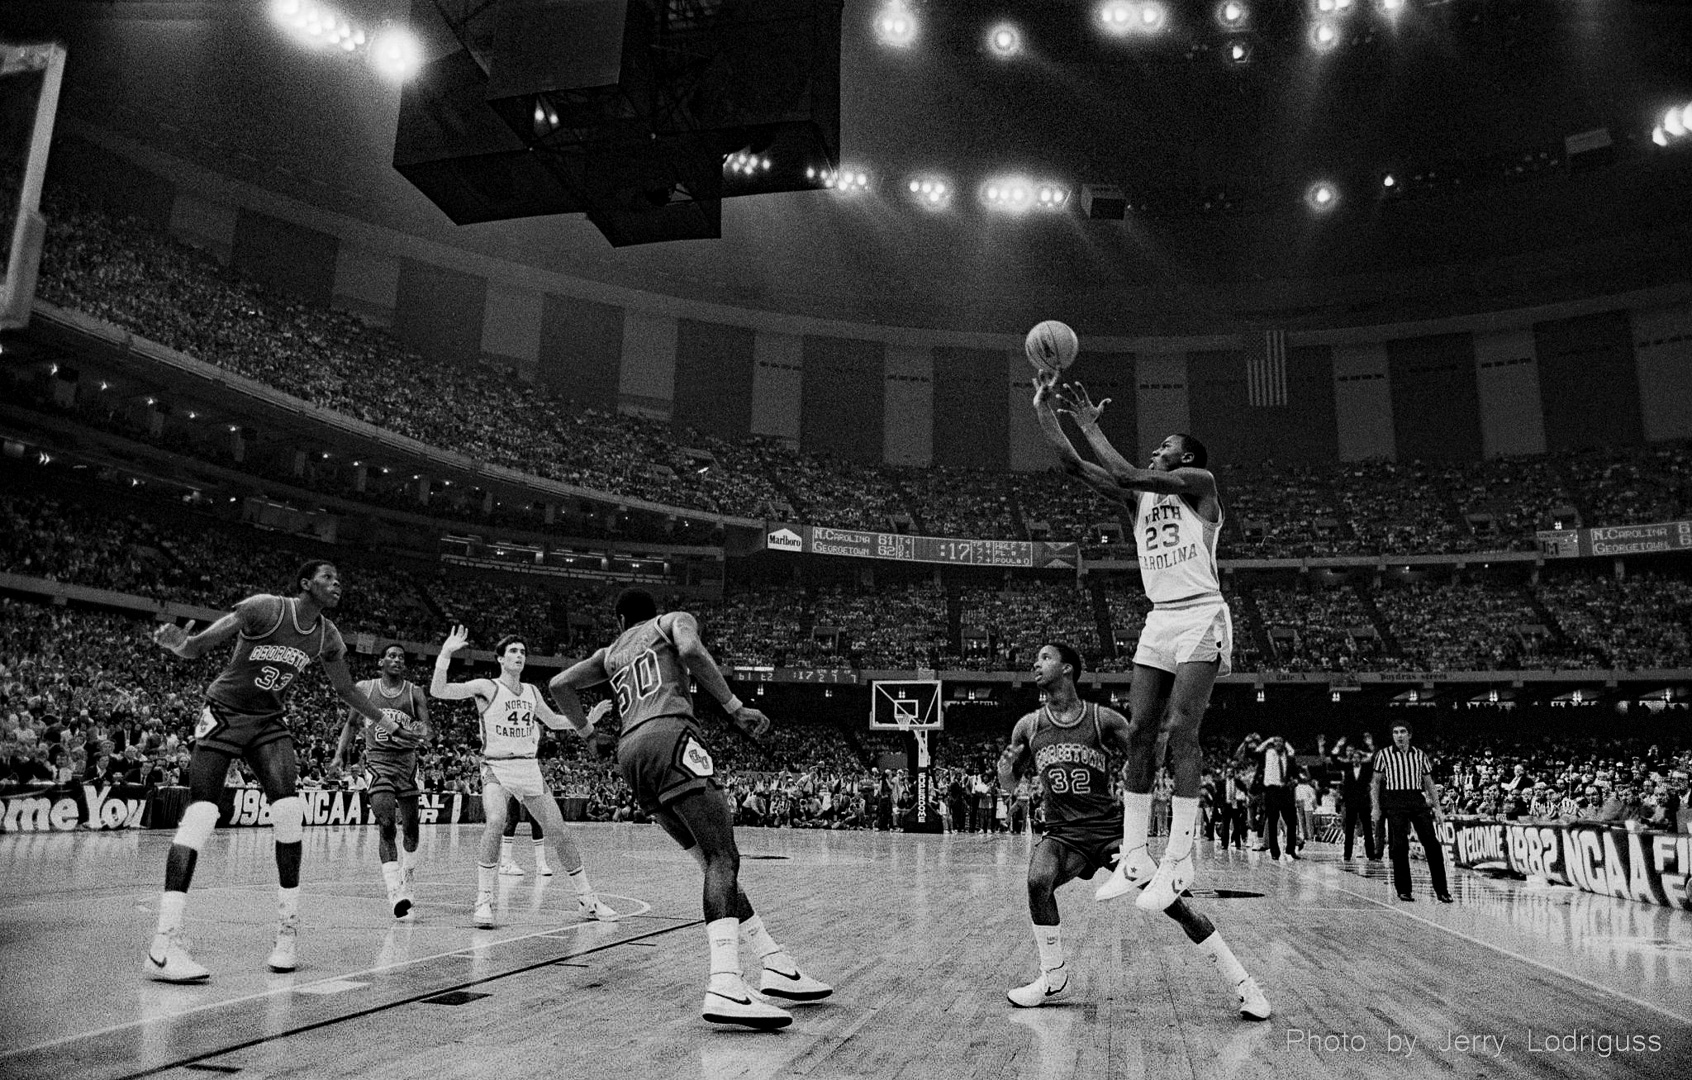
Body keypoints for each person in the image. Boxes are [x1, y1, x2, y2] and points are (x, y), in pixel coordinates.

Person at [549, 588, 831, 1031]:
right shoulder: (671, 621)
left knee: (710, 862)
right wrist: (735, 707)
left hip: (630, 753)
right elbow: (691, 649)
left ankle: (774, 962)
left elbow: (559, 684)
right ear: (651, 612)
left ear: (621, 621)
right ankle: (724, 982)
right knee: (724, 857)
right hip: (671, 736)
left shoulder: (609, 653)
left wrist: (587, 732)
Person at [1032, 371, 1230, 910]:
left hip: (1200, 615)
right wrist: (1045, 411)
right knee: (1141, 730)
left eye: (1166, 446)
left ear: (1185, 459)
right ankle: (1137, 852)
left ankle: (1181, 857)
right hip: (1160, 617)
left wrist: (1088, 423)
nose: (1156, 449)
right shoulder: (1138, 501)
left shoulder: (1202, 486)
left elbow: (1122, 468)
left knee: (1180, 729)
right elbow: (1075, 465)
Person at [997, 644, 1269, 1020]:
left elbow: (1148, 761)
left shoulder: (1102, 718)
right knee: (1036, 880)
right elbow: (1010, 785)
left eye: (1044, 657)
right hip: (1063, 834)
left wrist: (1158, 736)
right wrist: (1005, 769)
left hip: (1110, 831)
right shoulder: (1028, 726)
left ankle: (1244, 984)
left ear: (1067, 670)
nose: (1035, 663)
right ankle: (1053, 977)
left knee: (1176, 905)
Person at [145, 559, 386, 982]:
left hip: (268, 722)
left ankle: (287, 932)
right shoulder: (265, 608)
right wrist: (176, 644)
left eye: (340, 578)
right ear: (306, 583)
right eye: (329, 577)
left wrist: (382, 719)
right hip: (224, 712)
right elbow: (197, 646)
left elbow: (345, 688)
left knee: (290, 813)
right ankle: (163, 944)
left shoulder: (327, 635)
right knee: (201, 815)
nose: (337, 584)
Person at [429, 626, 617, 929]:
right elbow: (439, 691)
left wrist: (587, 720)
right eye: (513, 651)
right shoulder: (486, 687)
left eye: (523, 652)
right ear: (501, 659)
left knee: (559, 831)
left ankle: (587, 897)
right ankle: (484, 899)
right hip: (496, 766)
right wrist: (446, 654)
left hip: (528, 767)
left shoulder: (531, 691)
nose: (519, 655)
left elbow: (554, 721)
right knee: (495, 821)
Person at [331, 642, 433, 919]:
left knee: (411, 829)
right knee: (386, 824)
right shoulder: (365, 688)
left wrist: (417, 731)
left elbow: (429, 729)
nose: (397, 659)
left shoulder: (415, 692)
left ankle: (408, 877)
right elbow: (352, 724)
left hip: (407, 766)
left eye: (401, 656)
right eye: (391, 655)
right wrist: (340, 755)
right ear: (381, 662)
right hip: (377, 764)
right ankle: (394, 893)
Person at [1371, 721, 1452, 903]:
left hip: (1416, 798)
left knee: (1432, 844)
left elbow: (1429, 783)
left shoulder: (1419, 755)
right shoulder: (1383, 755)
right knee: (1399, 845)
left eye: (1403, 732)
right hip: (1395, 800)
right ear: (1392, 735)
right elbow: (1375, 783)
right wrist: (1376, 807)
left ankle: (1442, 890)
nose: (1399, 736)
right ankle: (1404, 890)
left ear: (1409, 734)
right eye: (1395, 732)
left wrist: (1438, 808)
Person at [1239, 733, 1301, 862]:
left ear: (1284, 744)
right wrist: (1268, 741)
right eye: (1276, 742)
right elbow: (1254, 752)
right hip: (1271, 791)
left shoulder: (1289, 757)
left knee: (1291, 821)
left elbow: (1295, 773)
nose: (1278, 744)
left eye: (1280, 742)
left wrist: (1295, 780)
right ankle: (1274, 851)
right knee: (1272, 822)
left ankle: (1291, 849)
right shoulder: (1267, 754)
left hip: (1285, 790)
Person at [1330, 738, 1379, 861]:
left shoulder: (1367, 768)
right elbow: (1334, 758)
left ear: (1361, 759)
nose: (1356, 759)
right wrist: (1338, 745)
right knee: (1349, 829)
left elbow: (1376, 757)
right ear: (1352, 759)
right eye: (1354, 757)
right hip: (1350, 802)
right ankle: (1347, 854)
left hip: (1363, 802)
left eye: (1358, 757)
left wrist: (1370, 745)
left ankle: (1370, 854)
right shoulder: (1347, 768)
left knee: (1367, 829)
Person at [499, 795, 549, 877]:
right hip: (514, 786)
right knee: (513, 819)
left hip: (529, 788)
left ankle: (541, 863)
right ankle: (505, 863)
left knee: (535, 820)